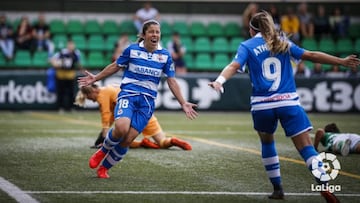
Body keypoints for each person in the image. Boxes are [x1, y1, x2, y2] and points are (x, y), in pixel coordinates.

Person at [209, 11, 359, 202]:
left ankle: (278, 189)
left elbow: (233, 65)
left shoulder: (247, 46)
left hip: (262, 105)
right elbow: (311, 55)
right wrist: (341, 62)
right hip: (288, 102)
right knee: (306, 148)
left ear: (251, 29)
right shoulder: (282, 42)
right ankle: (325, 184)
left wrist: (219, 81)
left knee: (267, 143)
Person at [78, 20, 198, 179]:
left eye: (157, 32)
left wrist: (183, 102)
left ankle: (104, 169)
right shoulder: (132, 50)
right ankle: (103, 150)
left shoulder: (165, 56)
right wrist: (96, 78)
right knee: (121, 128)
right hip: (128, 94)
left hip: (147, 103)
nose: (155, 34)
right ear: (143, 35)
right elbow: (115, 66)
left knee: (128, 139)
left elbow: (171, 80)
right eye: (151, 32)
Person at [74, 83, 192, 151]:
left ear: (92, 91)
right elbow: (110, 118)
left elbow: (106, 115)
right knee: (162, 142)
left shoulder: (102, 94)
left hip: (130, 116)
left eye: (90, 98)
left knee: (119, 138)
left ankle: (142, 144)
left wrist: (103, 138)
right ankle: (172, 140)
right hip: (145, 113)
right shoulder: (111, 89)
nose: (93, 101)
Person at [49, 39, 82, 112]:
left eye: (72, 45)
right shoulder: (62, 52)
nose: (71, 46)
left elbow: (78, 63)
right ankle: (60, 107)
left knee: (71, 92)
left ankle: (71, 107)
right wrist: (55, 64)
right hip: (61, 74)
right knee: (61, 92)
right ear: (67, 45)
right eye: (70, 45)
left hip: (70, 74)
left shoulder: (76, 53)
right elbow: (52, 60)